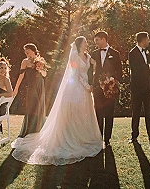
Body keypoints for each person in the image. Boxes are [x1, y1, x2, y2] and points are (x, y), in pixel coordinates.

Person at [11, 36, 102, 165]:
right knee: (74, 114)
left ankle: (83, 137)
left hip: (86, 90)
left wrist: (92, 76)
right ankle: (72, 138)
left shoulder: (87, 56)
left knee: (83, 114)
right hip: (76, 88)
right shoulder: (74, 56)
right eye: (86, 42)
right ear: (80, 44)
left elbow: (91, 70)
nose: (88, 44)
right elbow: (75, 74)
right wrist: (87, 86)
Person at [88, 31, 122, 148]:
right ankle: (99, 138)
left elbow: (119, 71)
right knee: (98, 113)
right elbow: (90, 71)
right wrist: (90, 84)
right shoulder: (94, 53)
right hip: (97, 89)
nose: (96, 43)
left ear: (103, 39)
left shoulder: (115, 53)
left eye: (97, 40)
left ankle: (107, 139)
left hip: (110, 89)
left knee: (109, 114)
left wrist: (113, 81)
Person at [129, 31, 150, 144]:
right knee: (136, 112)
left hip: (147, 87)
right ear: (143, 40)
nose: (149, 41)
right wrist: (149, 66)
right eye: (148, 39)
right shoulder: (132, 53)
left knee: (149, 112)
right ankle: (134, 136)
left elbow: (147, 68)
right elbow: (136, 70)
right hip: (137, 88)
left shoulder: (147, 52)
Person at [13, 43, 47, 137]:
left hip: (40, 86)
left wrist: (40, 69)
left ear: (33, 50)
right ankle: (30, 130)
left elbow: (44, 75)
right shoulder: (25, 61)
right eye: (25, 51)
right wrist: (16, 89)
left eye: (27, 50)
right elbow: (21, 76)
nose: (26, 52)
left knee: (39, 106)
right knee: (32, 106)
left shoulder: (41, 60)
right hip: (32, 87)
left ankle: (39, 129)